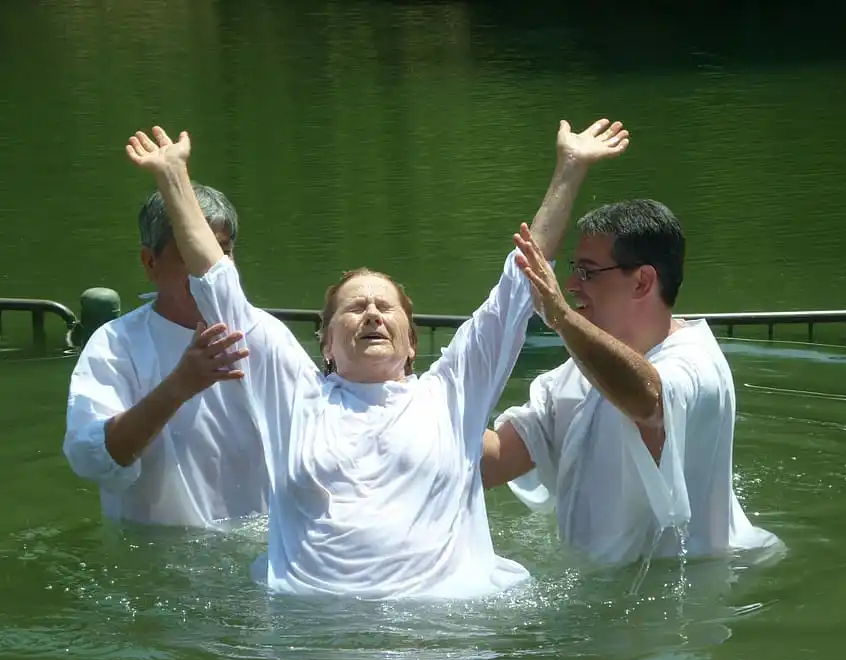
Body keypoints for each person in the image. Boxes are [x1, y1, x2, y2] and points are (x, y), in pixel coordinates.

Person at [124, 117, 630, 600]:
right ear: (324, 345)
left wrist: (570, 168)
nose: (371, 314)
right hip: (307, 630)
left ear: (412, 344)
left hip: (442, 632)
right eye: (354, 307)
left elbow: (520, 282)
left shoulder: (450, 394)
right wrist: (174, 178)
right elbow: (218, 284)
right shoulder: (294, 397)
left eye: (386, 307)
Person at [481, 198, 783, 566]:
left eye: (588, 272)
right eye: (575, 269)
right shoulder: (576, 374)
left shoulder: (695, 364)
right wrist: (408, 398)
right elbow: (491, 461)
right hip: (598, 592)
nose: (572, 284)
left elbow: (648, 402)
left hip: (679, 601)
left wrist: (560, 317)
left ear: (642, 281)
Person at [62, 184, 293, 528]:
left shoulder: (265, 334)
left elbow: (320, 440)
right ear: (149, 261)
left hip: (259, 549)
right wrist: (177, 388)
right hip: (154, 552)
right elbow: (91, 458)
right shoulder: (115, 343)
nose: (206, 271)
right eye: (189, 255)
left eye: (220, 254)